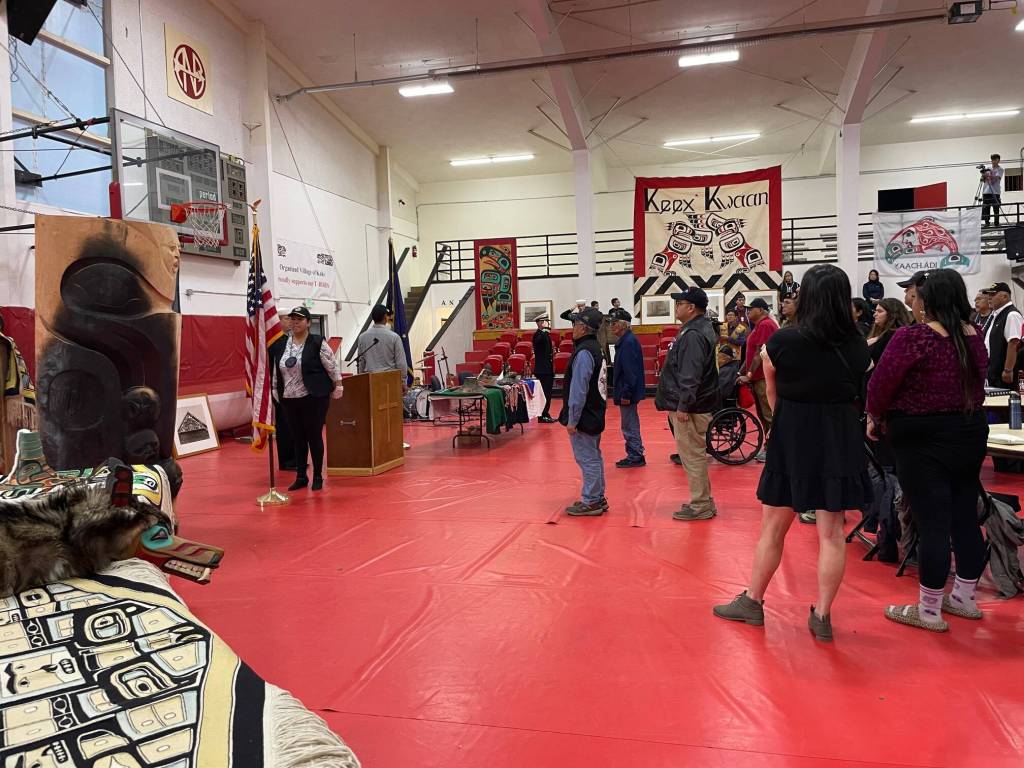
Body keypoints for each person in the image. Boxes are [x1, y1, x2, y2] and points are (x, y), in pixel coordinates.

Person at [713, 264, 871, 642]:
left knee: (773, 527)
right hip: (840, 436)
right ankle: (823, 614)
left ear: (808, 296)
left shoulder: (783, 342)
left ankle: (752, 602)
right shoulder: (858, 344)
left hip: (794, 435)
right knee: (831, 532)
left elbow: (772, 395)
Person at [866, 269, 988, 632]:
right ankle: (964, 598)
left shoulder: (913, 338)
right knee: (965, 515)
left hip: (921, 436)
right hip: (968, 430)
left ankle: (929, 609)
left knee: (931, 519)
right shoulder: (974, 337)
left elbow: (881, 384)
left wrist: (874, 416)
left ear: (928, 301)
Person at [656, 287, 719, 521]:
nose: (676, 307)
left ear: (691, 307)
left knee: (692, 456)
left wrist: (683, 406)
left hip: (692, 408)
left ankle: (701, 504)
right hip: (696, 405)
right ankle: (704, 500)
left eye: (679, 303)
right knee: (695, 455)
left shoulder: (693, 334)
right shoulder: (698, 328)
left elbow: (690, 375)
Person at [269, 307, 344, 491]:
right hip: (289, 398)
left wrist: (338, 384)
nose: (295, 322)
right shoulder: (282, 344)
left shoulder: (317, 342)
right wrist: (274, 389)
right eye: (293, 319)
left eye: (300, 319)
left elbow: (332, 366)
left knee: (313, 436)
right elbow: (276, 370)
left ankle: (317, 475)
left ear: (308, 322)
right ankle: (301, 476)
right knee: (297, 437)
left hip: (314, 397)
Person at [559, 307, 609, 516]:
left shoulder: (584, 353)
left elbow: (578, 390)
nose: (572, 329)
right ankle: (596, 496)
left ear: (582, 327)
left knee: (587, 458)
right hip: (595, 411)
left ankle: (592, 500)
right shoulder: (596, 348)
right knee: (594, 457)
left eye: (574, 324)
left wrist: (572, 419)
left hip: (585, 415)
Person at [737, 297, 779, 458]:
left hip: (763, 377)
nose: (747, 312)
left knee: (768, 413)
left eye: (751, 309)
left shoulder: (766, 325)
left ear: (760, 310)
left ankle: (773, 448)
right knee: (763, 413)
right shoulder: (759, 326)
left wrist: (748, 375)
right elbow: (751, 353)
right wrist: (741, 372)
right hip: (759, 376)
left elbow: (759, 354)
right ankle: (770, 446)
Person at [609, 309, 645, 468]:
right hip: (626, 390)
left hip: (627, 391)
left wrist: (626, 393)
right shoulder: (626, 340)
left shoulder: (628, 342)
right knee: (629, 423)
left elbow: (630, 372)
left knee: (629, 424)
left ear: (623, 325)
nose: (611, 326)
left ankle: (635, 455)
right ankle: (634, 453)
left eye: (614, 323)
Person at [980, 281, 1022, 387]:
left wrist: (1008, 370)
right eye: (988, 294)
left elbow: (1013, 343)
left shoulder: (1012, 314)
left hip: (1004, 374)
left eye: (993, 294)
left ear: (1005, 296)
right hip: (993, 371)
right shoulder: (996, 315)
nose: (989, 297)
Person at [269, 313, 296, 471]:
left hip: (291, 388)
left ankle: (294, 457)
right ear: (277, 321)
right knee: (285, 425)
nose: (290, 322)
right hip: (280, 389)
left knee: (293, 424)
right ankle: (287, 460)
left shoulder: (287, 339)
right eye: (287, 318)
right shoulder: (276, 342)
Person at [357, 304, 408, 383]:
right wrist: (403, 381)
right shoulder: (394, 337)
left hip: (370, 381)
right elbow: (401, 362)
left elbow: (361, 362)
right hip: (390, 381)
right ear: (385, 317)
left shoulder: (362, 337)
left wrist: (361, 381)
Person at [867, 297, 912, 370]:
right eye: (875, 311)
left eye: (879, 311)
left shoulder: (893, 336)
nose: (874, 315)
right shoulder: (881, 335)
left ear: (892, 314)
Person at [531, 314, 556, 423]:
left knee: (548, 393)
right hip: (542, 370)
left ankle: (545, 413)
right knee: (544, 393)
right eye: (545, 321)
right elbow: (538, 342)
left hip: (547, 368)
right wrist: (544, 331)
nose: (548, 323)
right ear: (540, 322)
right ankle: (542, 415)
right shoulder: (538, 335)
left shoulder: (545, 334)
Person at [981, 153, 1003, 228]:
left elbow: (997, 178)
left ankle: (996, 223)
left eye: (995, 160)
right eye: (992, 160)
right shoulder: (987, 168)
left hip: (995, 191)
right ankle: (987, 223)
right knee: (986, 208)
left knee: (996, 208)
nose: (993, 161)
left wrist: (988, 175)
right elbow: (983, 180)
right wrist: (983, 175)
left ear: (998, 160)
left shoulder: (1000, 169)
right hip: (986, 191)